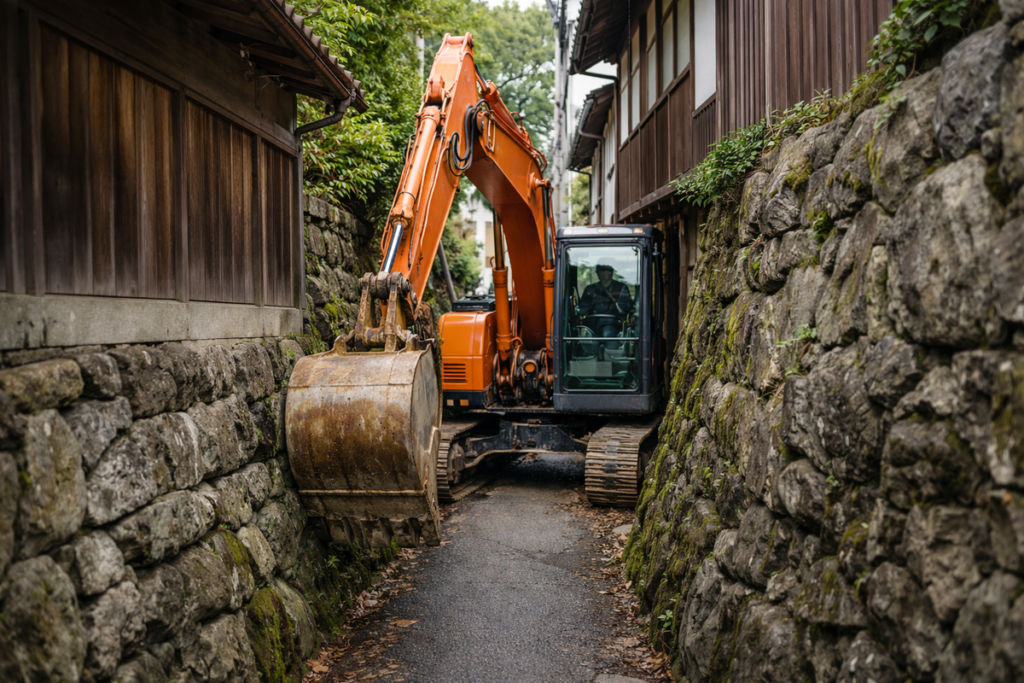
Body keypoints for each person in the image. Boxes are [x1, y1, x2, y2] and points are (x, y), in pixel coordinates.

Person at [577, 264, 633, 346]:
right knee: (586, 340)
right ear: (597, 272)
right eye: (600, 271)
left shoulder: (621, 288)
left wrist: (615, 301)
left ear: (611, 272)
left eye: (605, 270)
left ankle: (612, 354)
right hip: (592, 325)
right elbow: (582, 309)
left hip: (613, 324)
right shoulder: (590, 289)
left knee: (609, 335)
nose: (602, 273)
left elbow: (625, 310)